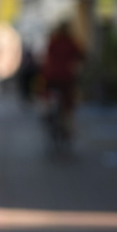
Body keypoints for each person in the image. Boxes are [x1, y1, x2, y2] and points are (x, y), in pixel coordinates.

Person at [40, 22, 83, 150]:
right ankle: (67, 128)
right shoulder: (71, 42)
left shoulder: (53, 41)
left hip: (51, 76)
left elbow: (46, 57)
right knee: (68, 104)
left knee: (48, 95)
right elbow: (81, 56)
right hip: (66, 77)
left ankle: (47, 112)